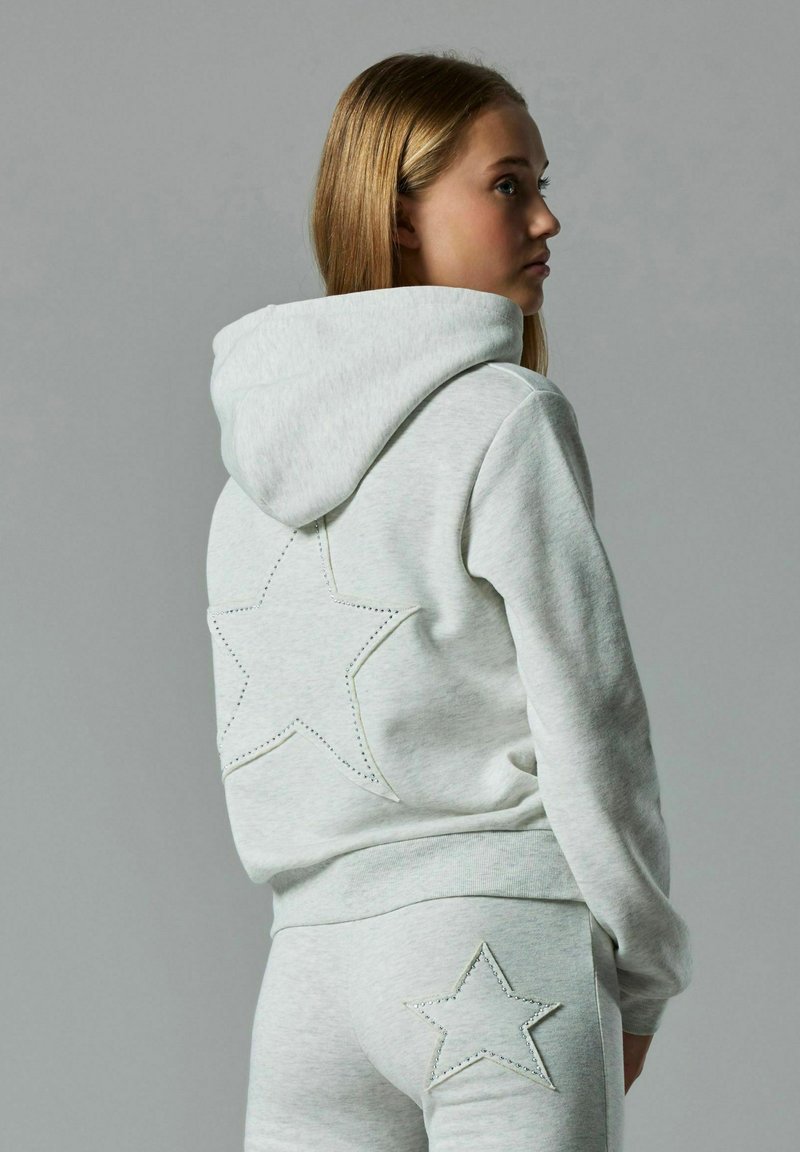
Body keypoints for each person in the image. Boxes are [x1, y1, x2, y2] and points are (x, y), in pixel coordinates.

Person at [205, 50, 693, 1152]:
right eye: (507, 185)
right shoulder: (503, 418)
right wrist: (646, 973)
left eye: (540, 185)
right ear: (400, 214)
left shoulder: (248, 477)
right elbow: (593, 719)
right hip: (494, 956)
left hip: (307, 987)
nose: (546, 219)